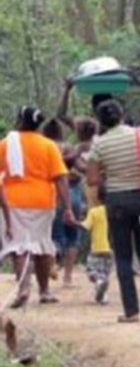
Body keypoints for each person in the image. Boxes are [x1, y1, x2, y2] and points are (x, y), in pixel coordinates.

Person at [86, 100, 140, 323]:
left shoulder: (99, 144)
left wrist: (108, 173)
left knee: (122, 256)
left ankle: (131, 311)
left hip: (116, 200)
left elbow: (92, 179)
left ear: (100, 120)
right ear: (122, 114)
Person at [0, 107, 75, 308]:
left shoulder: (6, 144)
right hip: (43, 202)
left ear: (19, 121)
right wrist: (67, 207)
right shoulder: (49, 146)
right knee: (42, 245)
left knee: (19, 247)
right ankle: (44, 291)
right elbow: (61, 178)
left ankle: (23, 289)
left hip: (13, 203)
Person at [43, 118, 85, 287]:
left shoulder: (44, 147)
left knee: (54, 235)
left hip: (52, 192)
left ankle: (52, 261)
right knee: (72, 236)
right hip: (72, 191)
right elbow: (80, 168)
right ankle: (67, 277)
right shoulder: (68, 147)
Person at [81, 185, 112, 304]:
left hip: (96, 248)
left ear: (97, 198)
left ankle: (99, 283)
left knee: (92, 272)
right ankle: (103, 296)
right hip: (109, 249)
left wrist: (74, 222)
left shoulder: (94, 212)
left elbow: (86, 226)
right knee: (105, 273)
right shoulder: (112, 212)